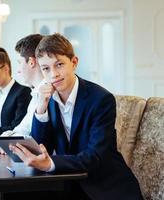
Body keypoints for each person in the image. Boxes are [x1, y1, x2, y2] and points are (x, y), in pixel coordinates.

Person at [9, 33, 143, 200]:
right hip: (67, 183)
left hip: (105, 187)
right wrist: (41, 108)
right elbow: (43, 148)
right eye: (46, 68)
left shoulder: (100, 99)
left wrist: (51, 163)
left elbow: (96, 156)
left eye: (59, 65)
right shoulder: (48, 99)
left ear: (74, 63)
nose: (53, 74)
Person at [0, 34, 44, 139]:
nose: (18, 70)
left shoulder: (47, 93)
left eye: (20, 63)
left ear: (31, 62)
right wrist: (9, 137)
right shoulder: (35, 92)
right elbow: (23, 128)